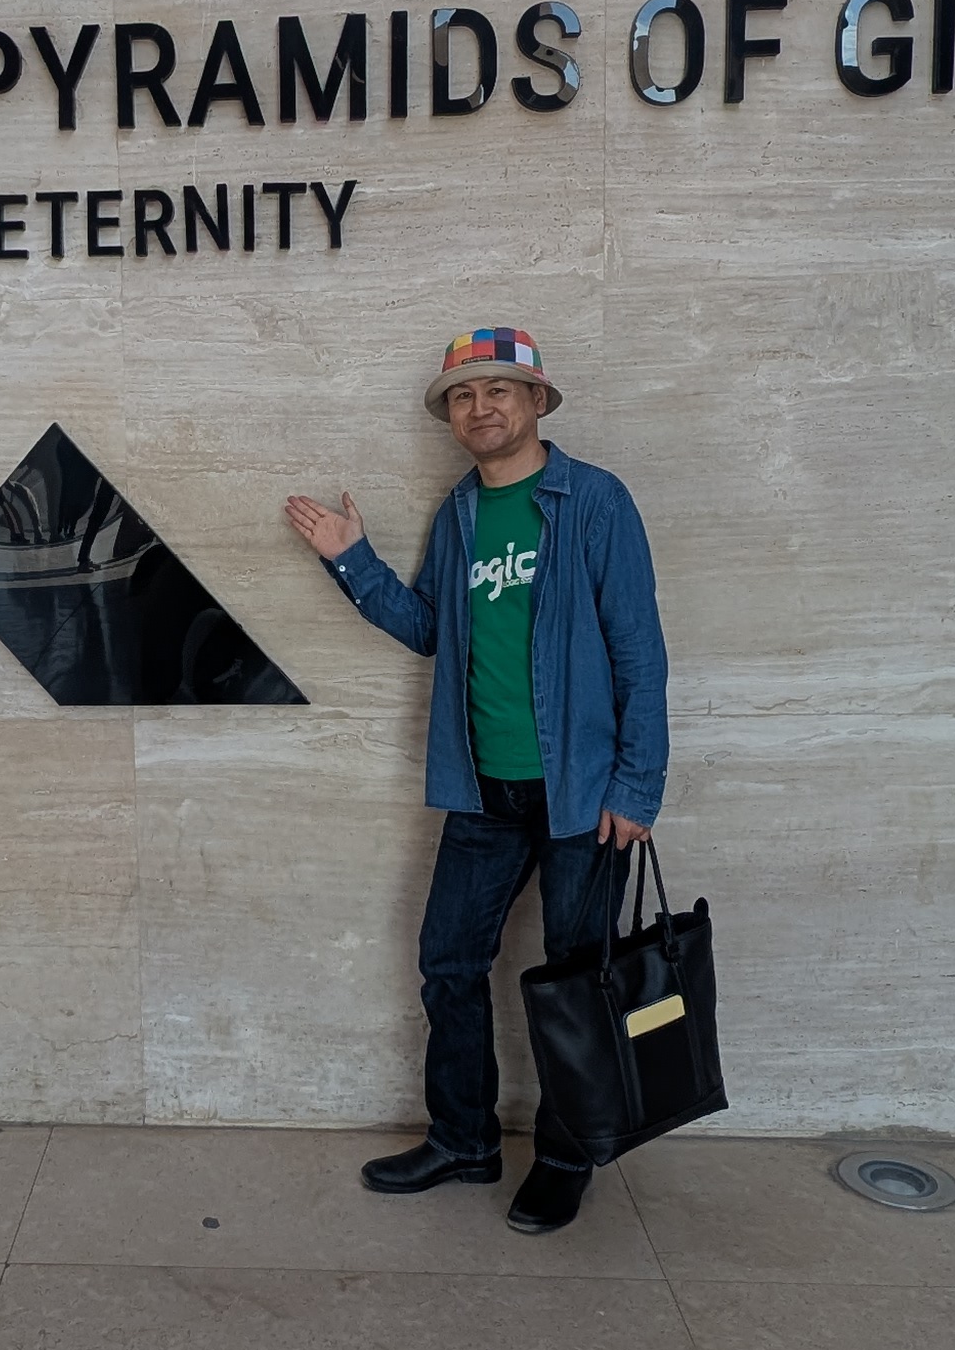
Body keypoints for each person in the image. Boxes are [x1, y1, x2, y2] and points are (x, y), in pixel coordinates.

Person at [285, 328, 668, 1233]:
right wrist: (352, 559)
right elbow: (428, 630)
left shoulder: (596, 502)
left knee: (575, 982)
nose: (480, 408)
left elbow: (639, 654)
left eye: (499, 390)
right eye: (462, 396)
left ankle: (569, 1156)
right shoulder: (459, 513)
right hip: (482, 791)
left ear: (537, 403)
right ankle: (465, 1140)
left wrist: (636, 787)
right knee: (448, 964)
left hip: (581, 794)